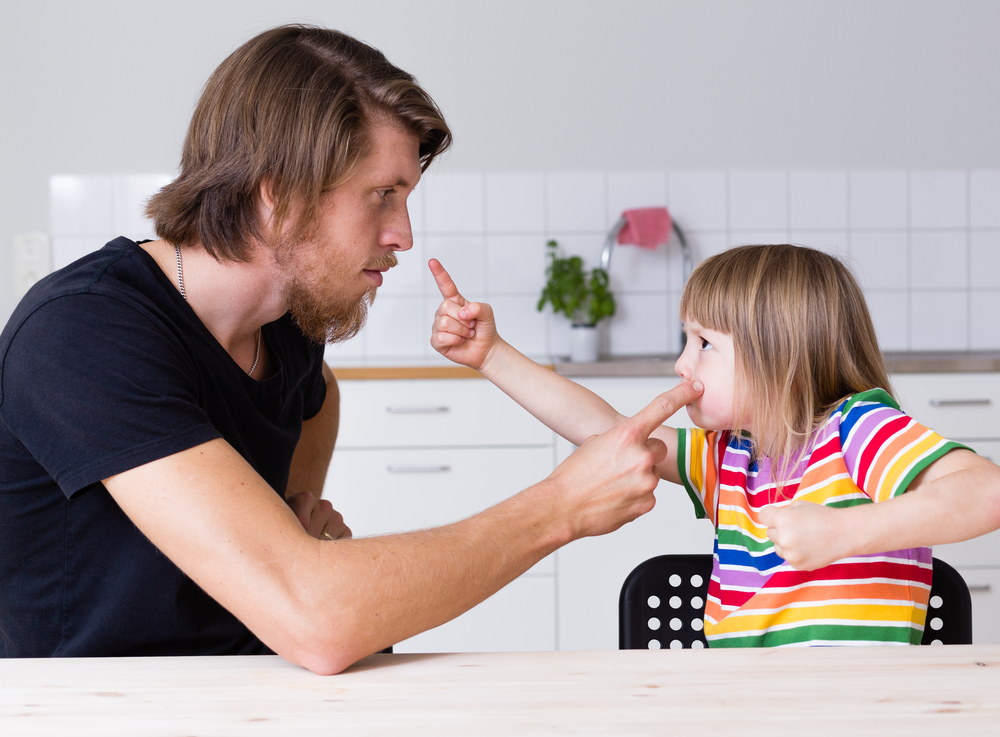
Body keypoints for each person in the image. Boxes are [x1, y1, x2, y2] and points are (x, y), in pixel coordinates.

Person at [0, 24, 703, 674]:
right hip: (110, 704)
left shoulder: (289, 324)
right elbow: (318, 618)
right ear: (278, 196)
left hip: (259, 681)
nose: (404, 233)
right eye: (382, 194)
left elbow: (317, 397)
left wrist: (295, 510)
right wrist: (561, 506)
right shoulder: (83, 332)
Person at [429, 244, 1000, 647]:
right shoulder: (731, 455)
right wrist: (492, 356)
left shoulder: (858, 430)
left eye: (704, 343)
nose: (682, 362)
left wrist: (844, 533)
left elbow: (986, 491)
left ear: (784, 360)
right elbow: (607, 432)